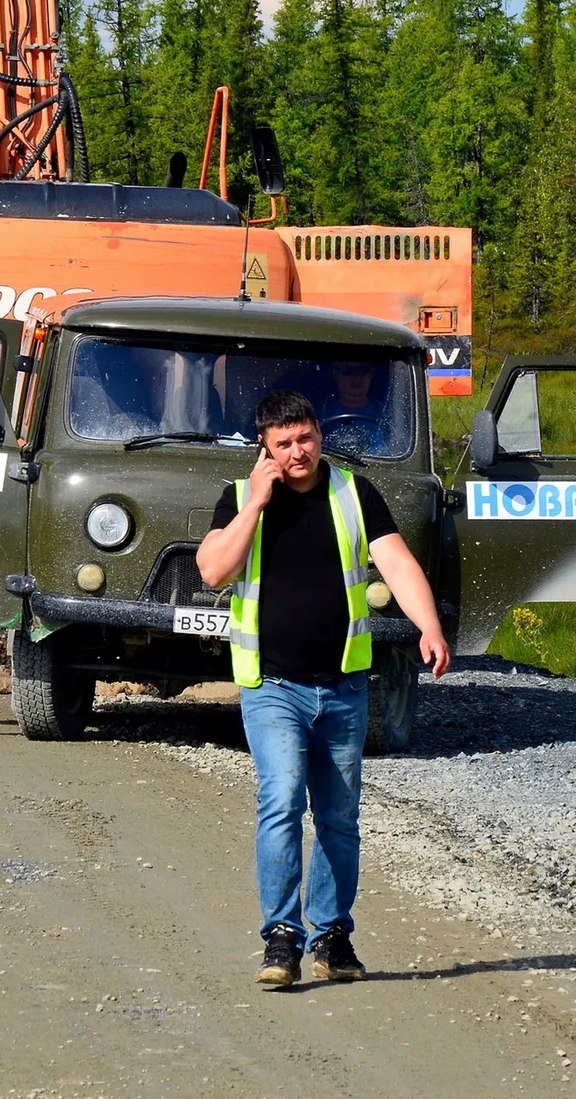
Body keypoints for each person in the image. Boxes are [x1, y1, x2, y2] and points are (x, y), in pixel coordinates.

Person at [196, 388, 451, 990]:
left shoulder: (354, 493)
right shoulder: (238, 497)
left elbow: (396, 562)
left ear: (319, 435)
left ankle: (331, 937)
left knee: (338, 817)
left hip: (342, 688)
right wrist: (256, 503)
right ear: (264, 446)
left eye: (305, 438)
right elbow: (213, 570)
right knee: (281, 800)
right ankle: (280, 938)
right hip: (273, 687)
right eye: (282, 444)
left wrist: (429, 625)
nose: (297, 452)